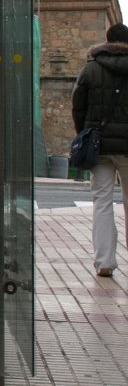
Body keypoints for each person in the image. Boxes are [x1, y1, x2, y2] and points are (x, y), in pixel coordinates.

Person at [71, 23, 128, 277]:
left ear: (107, 41)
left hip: (100, 145)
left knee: (102, 202)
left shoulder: (90, 70)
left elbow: (77, 107)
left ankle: (104, 261)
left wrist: (84, 133)